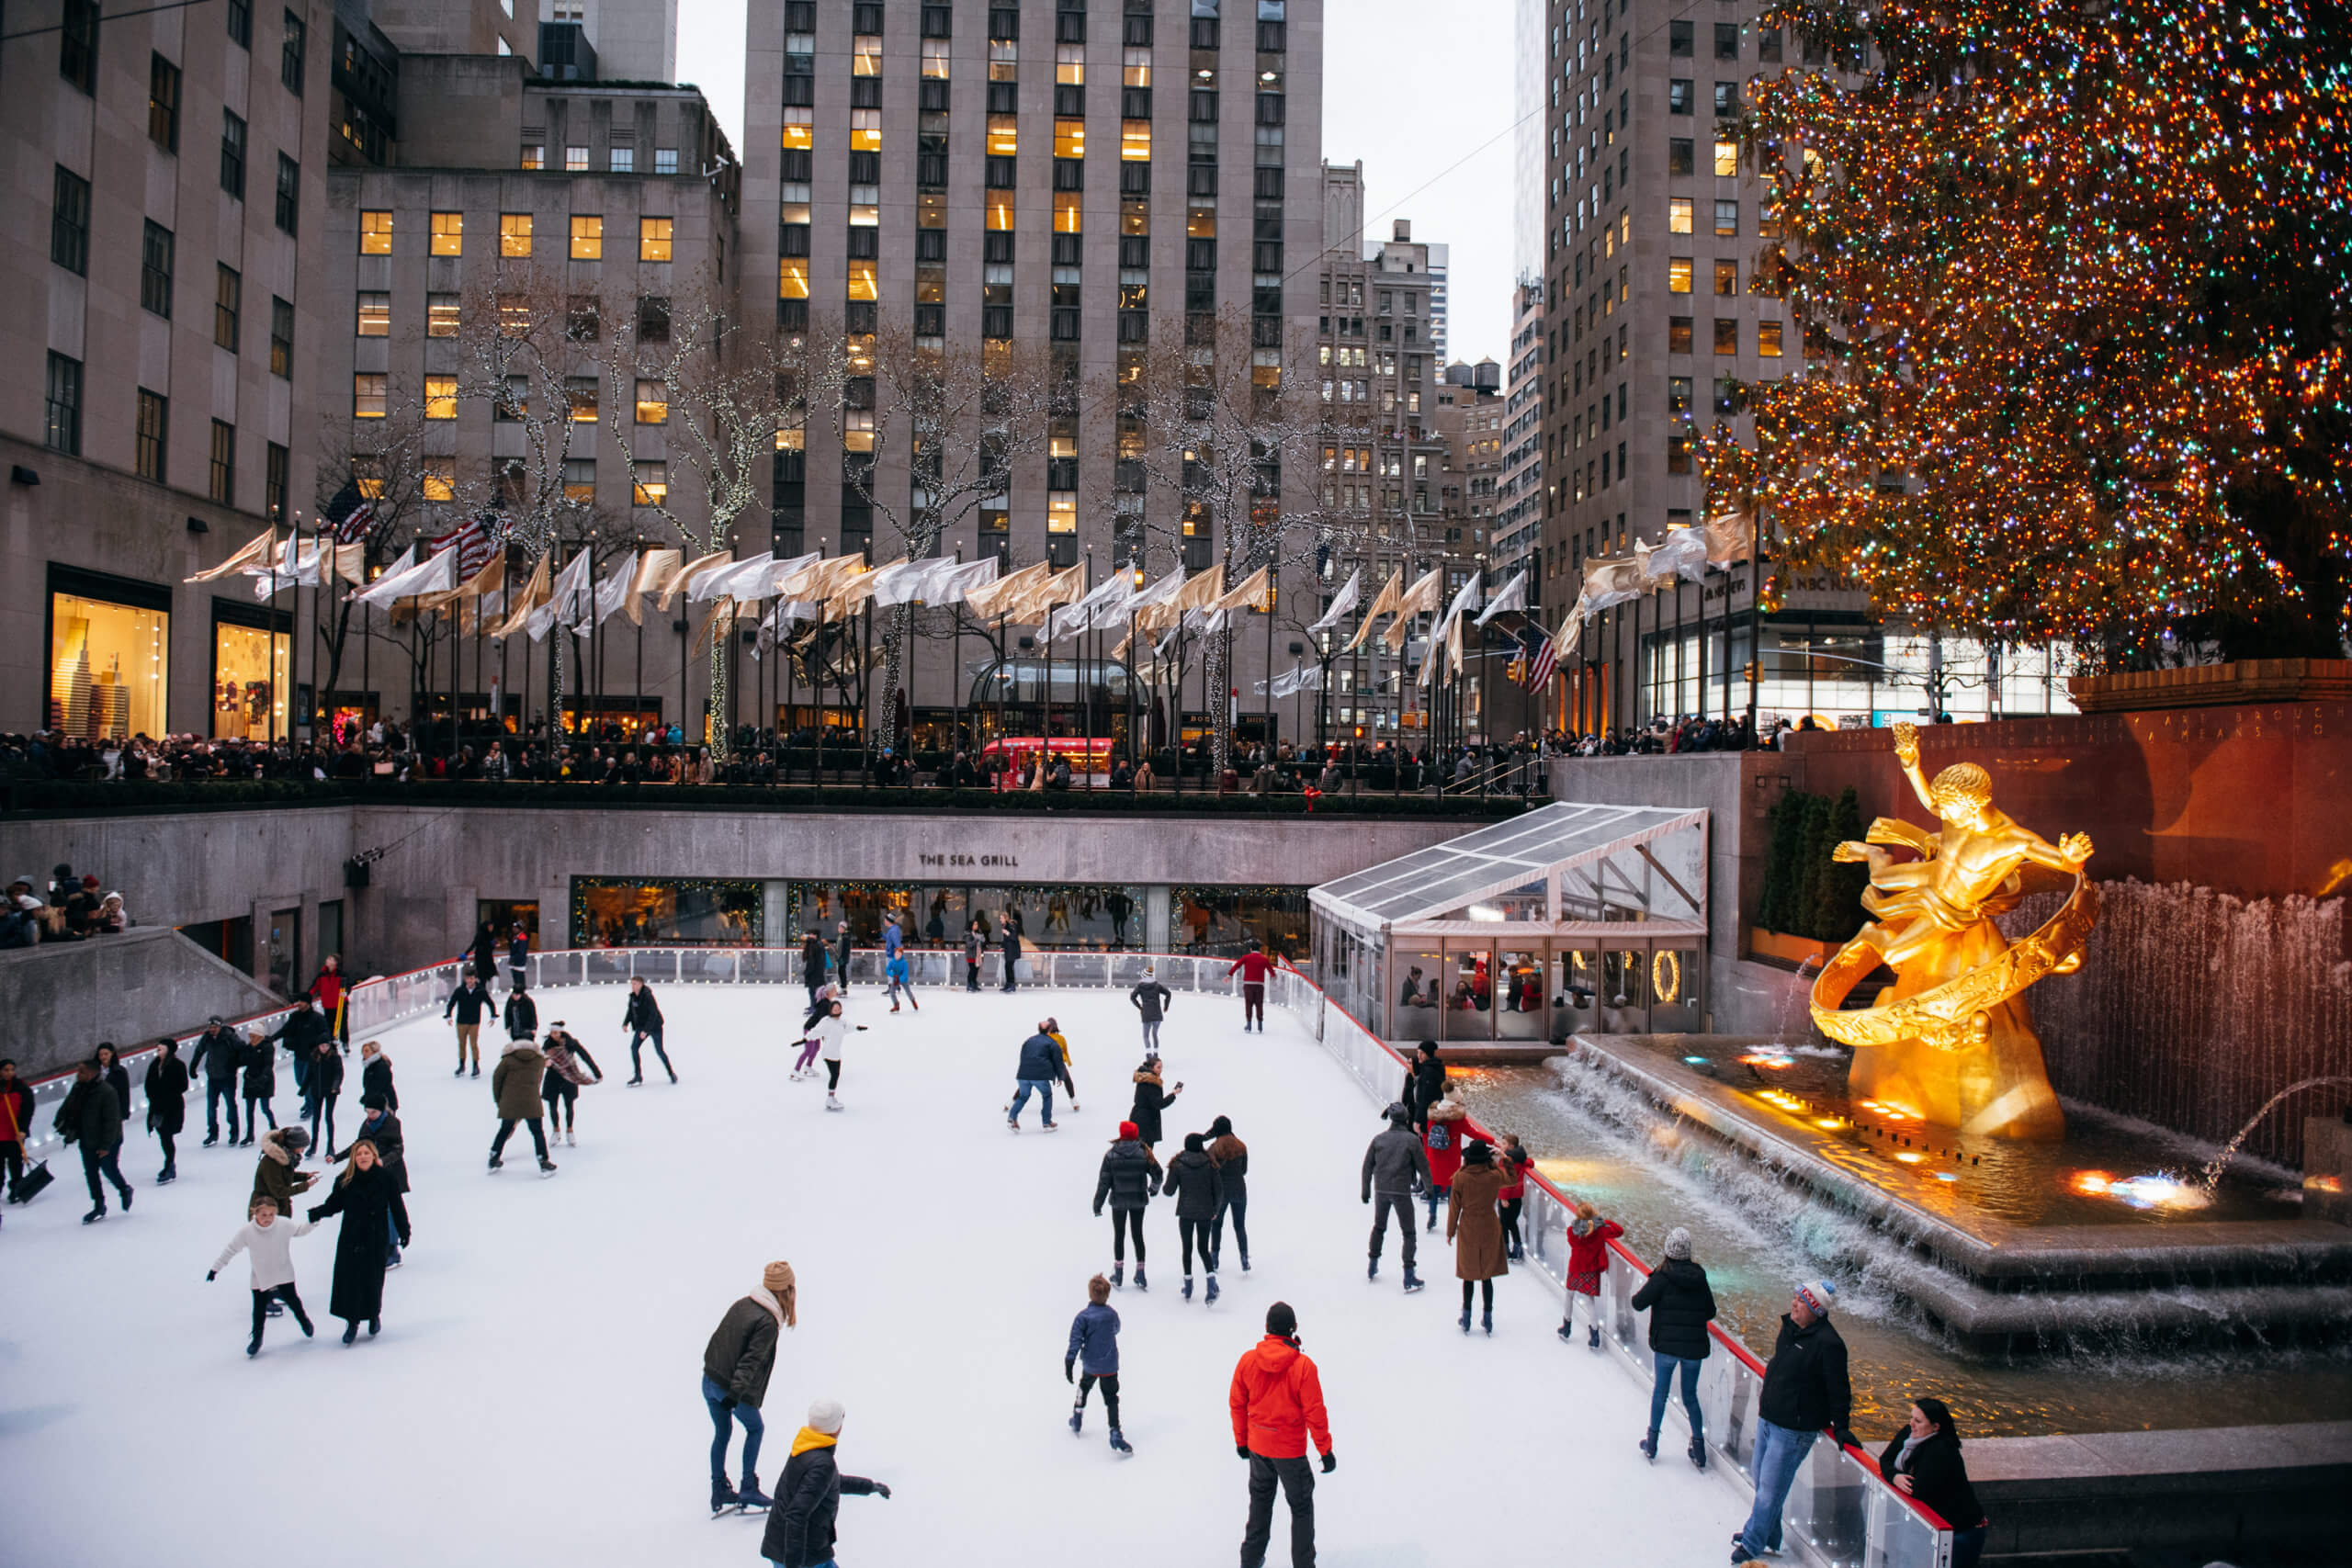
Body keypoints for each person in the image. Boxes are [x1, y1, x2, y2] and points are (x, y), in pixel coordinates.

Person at [1733, 1280, 1856, 1566]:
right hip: (1770, 1417)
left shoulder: (1829, 1344)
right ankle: (1770, 1537)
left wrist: (1841, 1425)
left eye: (1801, 1301)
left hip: (1794, 1430)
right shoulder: (1790, 1328)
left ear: (1816, 1309)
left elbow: (1839, 1389)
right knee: (1760, 1478)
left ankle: (1752, 1545)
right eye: (1795, 1298)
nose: (1794, 1304)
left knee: (1769, 1491)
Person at [1229, 1302, 1335, 1568]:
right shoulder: (1303, 1367)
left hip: (1259, 1447)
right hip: (1290, 1453)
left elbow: (1237, 1403)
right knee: (1301, 1509)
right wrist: (1325, 1450)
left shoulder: (1248, 1361)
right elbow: (1315, 1413)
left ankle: (1250, 1561)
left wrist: (1242, 1441)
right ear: (1293, 1329)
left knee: (1260, 1506)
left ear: (1267, 1328)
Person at [704, 1261, 797, 1515]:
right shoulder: (767, 1321)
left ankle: (719, 1489)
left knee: (722, 1431)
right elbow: (751, 1361)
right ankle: (748, 1486)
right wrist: (734, 1394)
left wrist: (712, 1375)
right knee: (755, 1428)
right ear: (787, 1290)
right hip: (730, 1388)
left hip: (710, 1381)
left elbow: (718, 1340)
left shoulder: (743, 1304)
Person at [762, 1397, 891, 1568]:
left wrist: (869, 1486)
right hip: (802, 1554)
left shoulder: (804, 1446)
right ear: (836, 1428)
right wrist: (793, 1563)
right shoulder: (822, 1463)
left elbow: (829, 1482)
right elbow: (797, 1514)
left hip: (792, 1547)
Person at [306, 1139, 411, 1345]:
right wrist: (317, 1212)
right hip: (352, 1235)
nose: (362, 1157)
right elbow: (334, 1204)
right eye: (359, 1154)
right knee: (350, 1280)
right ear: (354, 1158)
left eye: (366, 1153)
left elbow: (397, 1205)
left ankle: (373, 1316)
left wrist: (404, 1229)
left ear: (373, 1155)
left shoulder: (386, 1178)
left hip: (375, 1235)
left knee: (372, 1278)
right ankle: (352, 1322)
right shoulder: (345, 1179)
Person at [1631, 1226, 1717, 1468]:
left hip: (1666, 1346)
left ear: (1667, 1250)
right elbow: (1711, 1311)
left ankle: (1652, 1443)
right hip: (1693, 1349)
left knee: (1661, 1393)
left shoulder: (1662, 1277)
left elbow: (1637, 1303)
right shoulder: (1700, 1277)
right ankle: (1699, 1448)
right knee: (1690, 1396)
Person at [1879, 1398, 1988, 1568]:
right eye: (1912, 1418)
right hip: (1932, 1527)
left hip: (1960, 1532)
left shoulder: (1941, 1449)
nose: (1911, 1424)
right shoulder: (1910, 1433)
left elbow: (1918, 1490)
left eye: (1918, 1421)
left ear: (1935, 1427)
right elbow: (1885, 1459)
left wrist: (1898, 1478)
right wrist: (1894, 1477)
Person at [208, 1193, 317, 1356]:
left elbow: (300, 1231)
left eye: (271, 1214)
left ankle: (304, 1321)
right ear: (255, 1213)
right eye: (264, 1215)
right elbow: (231, 1249)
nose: (268, 1218)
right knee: (259, 1308)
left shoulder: (283, 1225)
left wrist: (313, 1221)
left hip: (283, 1271)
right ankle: (257, 1338)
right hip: (260, 1276)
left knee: (293, 1300)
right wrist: (215, 1268)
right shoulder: (247, 1232)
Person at [55, 1057, 132, 1224]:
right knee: (91, 1172)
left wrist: (106, 1146)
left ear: (92, 1073)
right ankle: (99, 1204)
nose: (78, 1074)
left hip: (108, 1140)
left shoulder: (107, 1092)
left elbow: (112, 1122)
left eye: (81, 1071)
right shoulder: (78, 1088)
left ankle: (124, 1189)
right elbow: (67, 1107)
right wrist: (61, 1124)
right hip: (87, 1138)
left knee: (108, 1169)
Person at [1362, 1102, 1430, 1290]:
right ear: (1406, 1119)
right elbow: (1423, 1165)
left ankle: (1372, 1264)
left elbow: (1367, 1166)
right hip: (1401, 1191)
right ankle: (1409, 1274)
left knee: (1379, 1227)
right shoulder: (1412, 1140)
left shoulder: (1379, 1139)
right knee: (1408, 1232)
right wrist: (1429, 1188)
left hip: (1381, 1190)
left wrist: (1366, 1190)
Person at [1447, 1137, 1510, 1336]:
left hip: (1468, 1226)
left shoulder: (1461, 1177)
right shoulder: (1493, 1176)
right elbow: (1512, 1179)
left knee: (1469, 1274)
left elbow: (1454, 1207)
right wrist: (1504, 1158)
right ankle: (1488, 1317)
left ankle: (1466, 1317)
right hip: (1490, 1225)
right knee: (1487, 1275)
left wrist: (1450, 1231)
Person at [1065, 1273, 1132, 1454]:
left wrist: (1070, 1360)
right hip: (1109, 1364)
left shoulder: (1083, 1317)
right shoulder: (1111, 1315)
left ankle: (1077, 1416)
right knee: (1111, 1398)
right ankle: (1115, 1431)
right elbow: (1117, 1328)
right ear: (1107, 1295)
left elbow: (1075, 1339)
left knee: (1084, 1387)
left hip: (1091, 1364)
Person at [1093, 1120, 1161, 1291]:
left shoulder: (1111, 1155)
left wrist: (1098, 1204)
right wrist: (1153, 1189)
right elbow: (1158, 1173)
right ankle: (1140, 1272)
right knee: (1138, 1234)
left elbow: (1104, 1182)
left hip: (1118, 1200)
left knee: (1119, 1234)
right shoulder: (1144, 1152)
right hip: (1139, 1199)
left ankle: (1118, 1272)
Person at [345, 1093, 407, 1268]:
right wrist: (337, 1157)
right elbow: (359, 1144)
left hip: (390, 1175)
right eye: (367, 1112)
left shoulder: (392, 1124)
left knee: (389, 1212)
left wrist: (383, 1161)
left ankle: (392, 1249)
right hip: (371, 1175)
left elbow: (398, 1150)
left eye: (373, 1112)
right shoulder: (367, 1124)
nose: (369, 1115)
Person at [1167, 1130, 1226, 1304]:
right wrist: (1215, 1209)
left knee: (1187, 1248)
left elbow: (1168, 1190)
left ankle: (1188, 1284)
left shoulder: (1178, 1164)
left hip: (1185, 1212)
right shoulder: (1209, 1164)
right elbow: (1219, 1191)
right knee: (1202, 1248)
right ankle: (1211, 1282)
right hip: (1205, 1212)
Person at [487, 1032, 557, 1174]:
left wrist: (499, 1100)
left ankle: (494, 1157)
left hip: (510, 1101)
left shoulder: (507, 1059)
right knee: (537, 1132)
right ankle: (543, 1161)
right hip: (531, 1101)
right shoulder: (538, 1060)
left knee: (505, 1129)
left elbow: (497, 1079)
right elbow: (538, 1081)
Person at [1560, 1201, 1625, 1348]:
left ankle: (1566, 1328)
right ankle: (1594, 1336)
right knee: (1590, 1302)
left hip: (1576, 1268)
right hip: (1591, 1270)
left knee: (1569, 1296)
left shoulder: (1572, 1231)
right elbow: (1619, 1230)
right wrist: (1603, 1221)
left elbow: (1573, 1242)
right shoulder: (1601, 1230)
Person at [538, 1023, 603, 1145]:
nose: (554, 1035)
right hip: (552, 1077)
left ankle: (570, 1130)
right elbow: (540, 1058)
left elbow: (585, 1057)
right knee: (553, 1105)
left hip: (569, 1077)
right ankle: (556, 1130)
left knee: (569, 1105)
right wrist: (545, 1061)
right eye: (552, 1033)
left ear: (561, 1032)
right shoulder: (547, 1045)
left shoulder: (571, 1043)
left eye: (556, 1033)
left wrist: (597, 1073)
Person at [189, 1017, 244, 1146]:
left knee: (231, 1105)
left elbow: (242, 1049)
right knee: (211, 1108)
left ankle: (234, 1133)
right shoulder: (207, 1038)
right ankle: (213, 1134)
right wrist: (192, 1068)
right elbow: (198, 1052)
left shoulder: (229, 1037)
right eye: (210, 1027)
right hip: (213, 1078)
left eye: (214, 1027)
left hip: (228, 1077)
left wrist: (236, 1064)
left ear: (220, 1027)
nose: (212, 1030)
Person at [1206, 1114, 1250, 1274]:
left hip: (1221, 1193)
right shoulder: (1241, 1146)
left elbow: (1210, 1171)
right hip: (1240, 1190)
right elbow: (1244, 1170)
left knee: (1217, 1224)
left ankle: (1215, 1258)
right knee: (1239, 1225)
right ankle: (1244, 1257)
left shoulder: (1214, 1148)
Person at [1420, 1085, 1467, 1231]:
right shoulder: (1458, 1119)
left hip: (1434, 1158)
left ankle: (1432, 1216)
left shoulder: (1433, 1115)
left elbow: (1426, 1134)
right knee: (1452, 1193)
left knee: (1433, 1189)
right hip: (1451, 1160)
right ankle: (1453, 1221)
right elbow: (1473, 1133)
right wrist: (1492, 1141)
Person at [143, 1036, 189, 1183]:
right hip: (157, 1107)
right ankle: (169, 1164)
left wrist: (167, 1093)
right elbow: (148, 1084)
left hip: (172, 1107)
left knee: (167, 1135)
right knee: (163, 1135)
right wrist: (153, 1096)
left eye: (161, 1047)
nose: (158, 1049)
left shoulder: (178, 1065)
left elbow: (183, 1085)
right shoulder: (154, 1065)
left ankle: (169, 1165)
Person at [250, 1124, 317, 1224]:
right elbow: (279, 1191)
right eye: (301, 1147)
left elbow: (283, 1176)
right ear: (293, 1145)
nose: (303, 1151)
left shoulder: (284, 1158)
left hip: (277, 1210)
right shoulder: (272, 1162)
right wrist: (305, 1186)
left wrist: (304, 1176)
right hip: (265, 1213)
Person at [1009, 1021, 1064, 1131]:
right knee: (1047, 1095)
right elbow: (1058, 1061)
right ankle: (1047, 1123)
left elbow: (1023, 1056)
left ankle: (1012, 1118)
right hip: (1040, 1076)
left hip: (1023, 1075)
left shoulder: (1028, 1041)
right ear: (1050, 1030)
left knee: (1023, 1096)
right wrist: (1060, 1076)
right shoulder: (1052, 1043)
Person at [815, 999, 867, 1111]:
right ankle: (830, 1098)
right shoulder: (826, 1021)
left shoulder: (842, 1021)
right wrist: (806, 1038)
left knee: (836, 1075)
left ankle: (831, 1097)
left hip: (836, 1053)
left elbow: (849, 1027)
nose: (837, 1011)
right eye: (835, 1009)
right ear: (831, 1010)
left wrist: (857, 1028)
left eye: (839, 1009)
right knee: (834, 1075)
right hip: (828, 1053)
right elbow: (817, 1031)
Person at [622, 976, 674, 1085]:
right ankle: (638, 1076)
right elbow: (630, 1011)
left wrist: (646, 1030)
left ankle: (671, 1073)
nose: (633, 986)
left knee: (659, 1051)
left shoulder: (648, 996)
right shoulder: (633, 997)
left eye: (635, 984)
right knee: (634, 1048)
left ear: (641, 984)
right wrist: (625, 1023)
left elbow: (653, 1014)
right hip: (641, 1026)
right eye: (632, 984)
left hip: (654, 1027)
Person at [302, 1036, 344, 1160]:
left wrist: (335, 1086)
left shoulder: (335, 1057)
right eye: (322, 1046)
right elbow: (309, 1074)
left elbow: (339, 1073)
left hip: (331, 1091)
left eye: (326, 1046)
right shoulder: (314, 1057)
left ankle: (330, 1146)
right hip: (317, 1091)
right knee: (316, 1118)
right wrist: (303, 1089)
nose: (324, 1048)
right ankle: (313, 1145)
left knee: (328, 1117)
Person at [445, 972, 494, 1077]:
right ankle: (461, 1065)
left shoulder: (480, 991)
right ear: (465, 979)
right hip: (461, 1021)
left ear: (475, 979)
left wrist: (493, 1015)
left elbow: (490, 1002)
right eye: (468, 979)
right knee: (462, 1044)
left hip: (474, 1022)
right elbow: (451, 1003)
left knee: (473, 1044)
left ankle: (476, 1066)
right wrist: (448, 1015)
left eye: (472, 979)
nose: (470, 981)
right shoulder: (460, 990)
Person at [1128, 1054, 1182, 1148]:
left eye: (1161, 1067)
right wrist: (1173, 1094)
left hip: (1138, 1118)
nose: (1161, 1070)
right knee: (1145, 1154)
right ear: (1151, 1068)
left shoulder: (1144, 1079)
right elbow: (1159, 1103)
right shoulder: (1151, 1083)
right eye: (1158, 1067)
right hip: (1145, 1123)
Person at [238, 1025, 279, 1143]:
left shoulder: (267, 1047)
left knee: (265, 1108)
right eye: (250, 1037)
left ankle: (274, 1129)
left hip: (264, 1082)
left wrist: (262, 1079)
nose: (251, 1039)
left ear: (260, 1036)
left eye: (254, 1036)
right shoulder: (248, 1048)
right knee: (249, 1110)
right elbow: (243, 1060)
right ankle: (250, 1134)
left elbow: (268, 1064)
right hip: (250, 1080)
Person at [1496, 1134, 1532, 1261]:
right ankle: (1516, 1248)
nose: (1501, 1145)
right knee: (1511, 1223)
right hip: (1516, 1197)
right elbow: (1529, 1162)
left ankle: (1505, 1249)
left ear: (1511, 1146)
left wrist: (1504, 1198)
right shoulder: (1519, 1158)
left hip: (1508, 1197)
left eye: (1504, 1143)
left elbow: (1506, 1180)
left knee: (1504, 1224)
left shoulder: (1508, 1161)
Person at [0, 1059, 31, 1197]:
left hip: (15, 1133)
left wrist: (23, 1129)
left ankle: (16, 1188)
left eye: (12, 1070)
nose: (10, 1073)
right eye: (6, 1070)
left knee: (15, 1164)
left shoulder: (21, 1087)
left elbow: (27, 1109)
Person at [1227, 942, 1274, 1032]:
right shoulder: (1264, 959)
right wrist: (1273, 976)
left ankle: (1249, 1025)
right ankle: (1260, 1024)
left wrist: (1229, 975)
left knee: (1248, 1004)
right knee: (1259, 1004)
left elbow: (1237, 966)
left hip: (1248, 984)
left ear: (1251, 949)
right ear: (1259, 949)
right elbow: (1271, 971)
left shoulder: (1246, 957)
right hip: (1259, 985)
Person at [308, 954, 351, 1051]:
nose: (327, 960)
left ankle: (345, 1042)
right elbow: (314, 986)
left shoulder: (342, 974)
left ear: (335, 963)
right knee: (329, 1024)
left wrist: (346, 992)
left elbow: (348, 985)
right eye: (328, 959)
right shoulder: (322, 975)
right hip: (328, 1004)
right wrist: (307, 996)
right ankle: (331, 1042)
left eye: (330, 959)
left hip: (340, 1003)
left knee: (342, 1024)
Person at [1401, 1041, 1445, 1133]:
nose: (1419, 1056)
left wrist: (1418, 1119)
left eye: (1422, 1053)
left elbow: (1425, 1097)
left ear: (1428, 1054)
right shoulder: (1436, 1067)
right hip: (1433, 1113)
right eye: (1418, 1052)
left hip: (1427, 1116)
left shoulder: (1428, 1071)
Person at [1129, 966, 1172, 1050]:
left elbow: (1132, 997)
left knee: (1146, 1036)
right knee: (1154, 1034)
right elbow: (1168, 993)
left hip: (1146, 1014)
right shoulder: (1157, 985)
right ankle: (1155, 1055)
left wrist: (1139, 1007)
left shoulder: (1139, 986)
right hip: (1157, 1014)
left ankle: (1149, 1055)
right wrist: (1166, 1006)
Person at [93, 1043, 131, 1122]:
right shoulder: (94, 1072)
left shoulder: (120, 1071)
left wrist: (124, 1113)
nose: (103, 1057)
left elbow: (124, 1093)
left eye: (106, 1054)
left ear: (112, 1054)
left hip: (114, 1113)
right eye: (101, 1055)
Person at [358, 1038, 398, 1112]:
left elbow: (379, 1086)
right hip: (374, 1103)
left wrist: (367, 1097)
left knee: (386, 1123)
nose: (364, 1053)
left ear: (374, 1052)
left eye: (367, 1051)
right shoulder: (369, 1066)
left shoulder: (381, 1066)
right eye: (363, 1051)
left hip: (385, 1103)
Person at [884, 940, 918, 1013]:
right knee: (892, 992)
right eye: (896, 954)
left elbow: (905, 974)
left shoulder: (904, 962)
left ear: (901, 955)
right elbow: (887, 970)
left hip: (903, 980)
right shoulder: (892, 962)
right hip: (895, 978)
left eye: (899, 954)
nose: (897, 955)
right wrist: (893, 975)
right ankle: (896, 1005)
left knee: (908, 992)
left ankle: (913, 1001)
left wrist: (899, 979)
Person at [503, 977, 538, 1045]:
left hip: (527, 1030)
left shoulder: (528, 1002)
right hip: (515, 1030)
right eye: (514, 994)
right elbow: (507, 1014)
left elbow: (533, 1015)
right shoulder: (510, 1001)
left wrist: (534, 1028)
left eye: (517, 995)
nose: (515, 996)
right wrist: (507, 1026)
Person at [800, 931, 829, 1008]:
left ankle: (815, 1007)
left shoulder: (816, 945)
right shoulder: (814, 944)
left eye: (811, 934)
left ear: (816, 936)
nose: (809, 936)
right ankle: (813, 1006)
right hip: (816, 972)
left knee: (814, 991)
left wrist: (808, 972)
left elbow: (812, 961)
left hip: (816, 972)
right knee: (813, 990)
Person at [999, 917, 1022, 992]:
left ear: (1005, 918)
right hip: (1008, 950)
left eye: (1001, 918)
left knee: (1009, 967)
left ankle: (1011, 985)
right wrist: (1003, 946)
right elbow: (1006, 940)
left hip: (1012, 950)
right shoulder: (1005, 926)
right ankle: (1008, 984)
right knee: (1007, 967)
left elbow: (1014, 937)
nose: (1000, 920)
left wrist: (1007, 932)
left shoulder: (1011, 925)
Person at [505, 925, 531, 991]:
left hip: (519, 962)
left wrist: (513, 959)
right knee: (516, 979)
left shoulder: (522, 937)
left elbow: (521, 952)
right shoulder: (515, 937)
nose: (513, 929)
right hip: (514, 962)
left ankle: (521, 992)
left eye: (515, 928)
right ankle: (518, 991)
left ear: (519, 929)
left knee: (519, 980)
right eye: (513, 928)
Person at [964, 920, 985, 992]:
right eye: (975, 924)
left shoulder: (976, 933)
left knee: (976, 970)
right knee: (972, 970)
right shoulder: (968, 934)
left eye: (977, 924)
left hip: (977, 955)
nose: (977, 925)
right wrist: (977, 939)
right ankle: (969, 985)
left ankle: (974, 984)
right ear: (971, 925)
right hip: (971, 955)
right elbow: (969, 944)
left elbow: (981, 942)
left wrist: (982, 939)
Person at [832, 920, 854, 991]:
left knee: (842, 972)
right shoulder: (841, 936)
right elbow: (839, 947)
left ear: (843, 928)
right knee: (840, 971)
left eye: (840, 927)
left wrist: (842, 958)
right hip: (840, 957)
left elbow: (845, 949)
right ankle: (843, 987)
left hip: (842, 958)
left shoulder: (845, 937)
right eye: (838, 927)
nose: (838, 929)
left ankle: (844, 988)